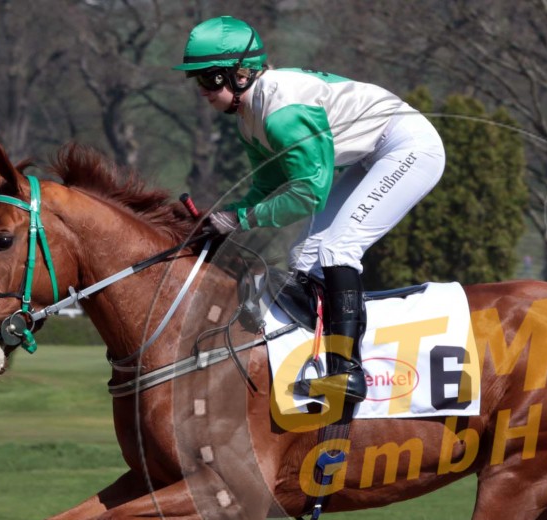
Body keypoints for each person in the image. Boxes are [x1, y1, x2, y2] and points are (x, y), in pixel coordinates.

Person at [176, 16, 446, 403]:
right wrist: (223, 216)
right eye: (197, 79)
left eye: (208, 78)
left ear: (240, 74)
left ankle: (349, 372)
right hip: (372, 154)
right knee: (303, 256)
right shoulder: (249, 118)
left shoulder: (281, 113)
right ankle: (316, 358)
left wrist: (239, 219)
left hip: (408, 147)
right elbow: (267, 187)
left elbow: (307, 195)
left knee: (338, 248)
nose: (201, 89)